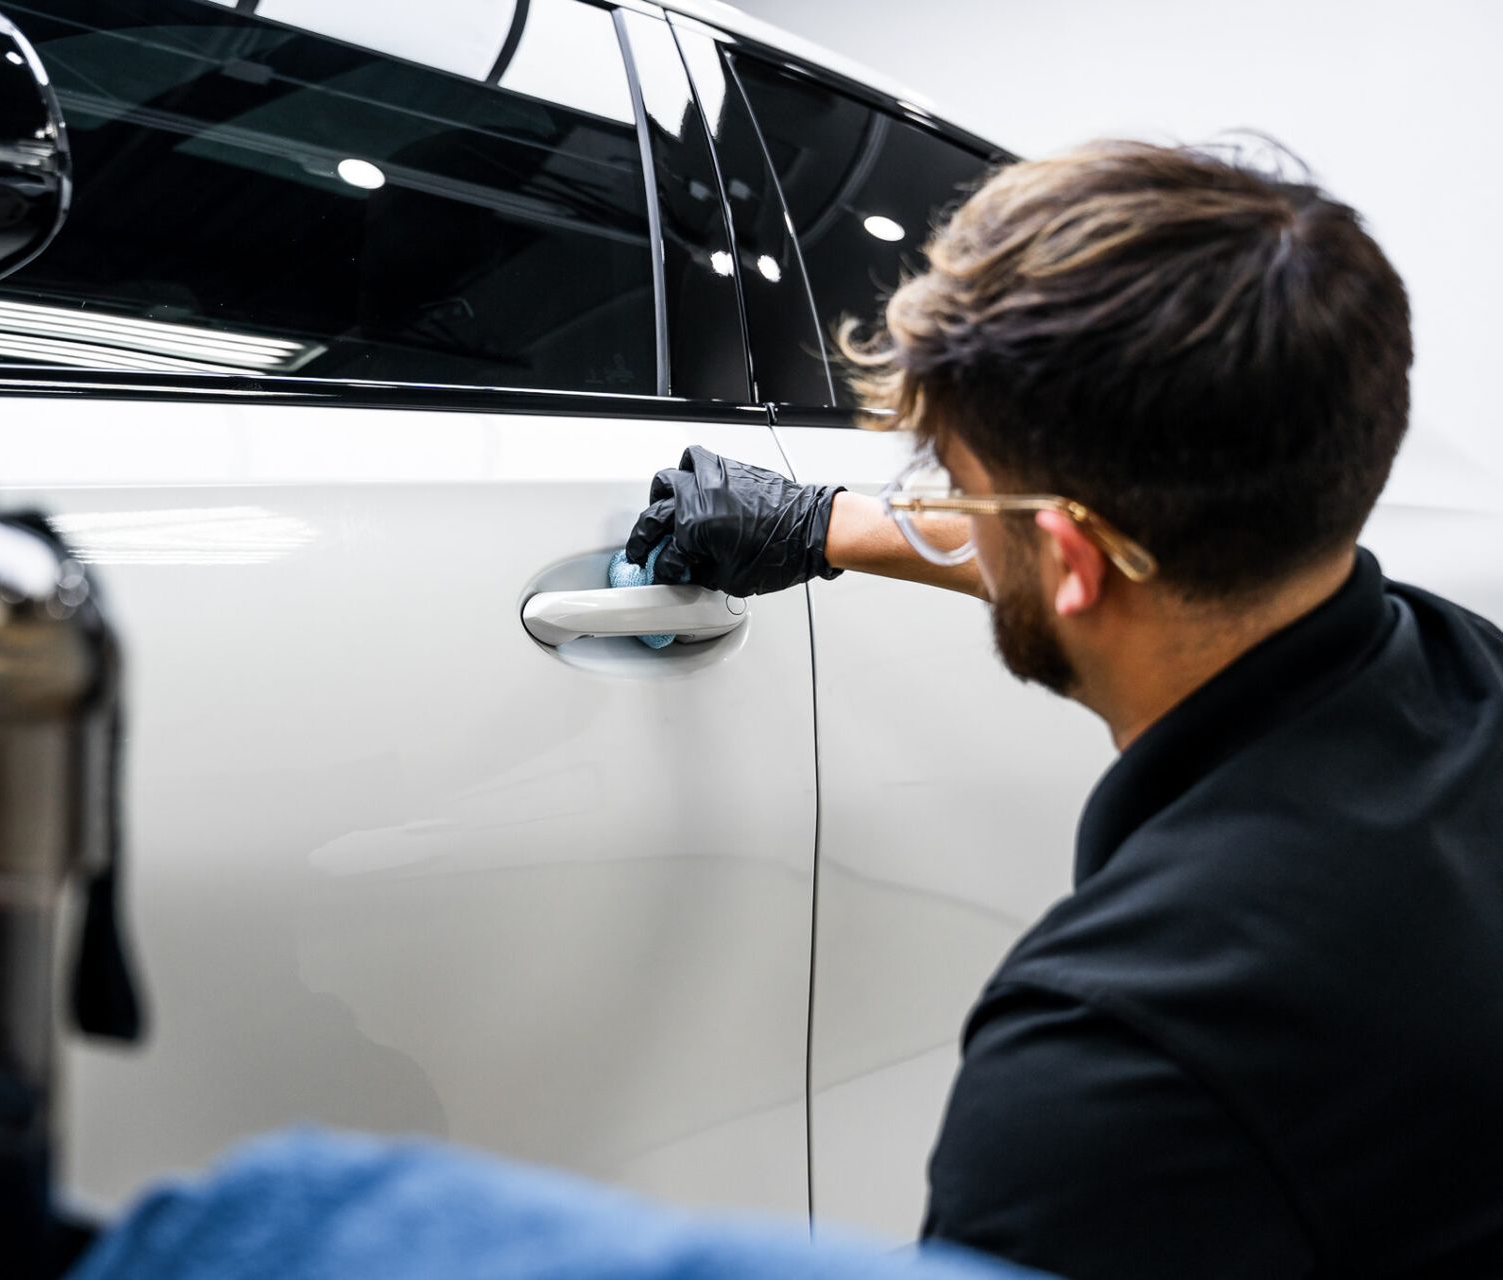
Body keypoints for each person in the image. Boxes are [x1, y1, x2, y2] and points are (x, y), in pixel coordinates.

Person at [627, 140, 1503, 1278]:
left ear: (1070, 554)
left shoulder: (1110, 1067)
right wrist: (830, 521)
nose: (943, 514)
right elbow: (1109, 557)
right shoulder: (1467, 667)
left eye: (949, 486)